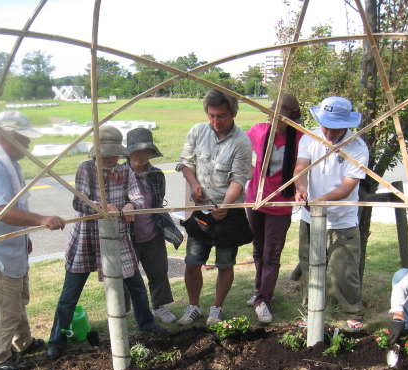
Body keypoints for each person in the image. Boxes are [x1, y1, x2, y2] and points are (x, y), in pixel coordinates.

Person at [47, 125, 167, 361]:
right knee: (70, 295)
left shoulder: (125, 171)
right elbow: (79, 203)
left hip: (116, 238)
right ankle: (57, 340)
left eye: (116, 154)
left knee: (137, 287)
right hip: (87, 238)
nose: (113, 159)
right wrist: (103, 207)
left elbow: (139, 198)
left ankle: (147, 324)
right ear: (98, 153)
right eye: (108, 154)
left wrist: (131, 206)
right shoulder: (86, 169)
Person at [0, 110, 66, 370]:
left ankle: (23, 342)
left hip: (11, 247)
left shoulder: (8, 163)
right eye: (24, 140)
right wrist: (41, 219)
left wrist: (24, 236)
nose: (28, 145)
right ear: (7, 138)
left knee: (16, 300)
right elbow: (0, 211)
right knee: (5, 307)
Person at [176, 88, 253, 326]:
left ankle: (217, 308)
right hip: (201, 210)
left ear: (234, 113)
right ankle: (193, 306)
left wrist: (226, 205)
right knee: (192, 262)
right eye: (211, 115)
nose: (215, 121)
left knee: (225, 263)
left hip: (230, 212)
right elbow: (185, 163)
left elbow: (239, 179)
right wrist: (194, 184)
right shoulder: (198, 132)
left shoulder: (242, 141)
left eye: (221, 116)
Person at [293, 96, 368, 329]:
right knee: (309, 263)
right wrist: (302, 188)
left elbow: (347, 187)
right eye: (326, 125)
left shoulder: (357, 147)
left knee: (343, 268)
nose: (329, 132)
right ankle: (311, 310)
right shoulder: (310, 137)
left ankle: (353, 313)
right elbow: (301, 167)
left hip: (342, 219)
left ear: (347, 124)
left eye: (335, 128)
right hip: (310, 217)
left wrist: (320, 200)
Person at [245, 93, 304, 324]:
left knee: (272, 254)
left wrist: (301, 187)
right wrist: (249, 172)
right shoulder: (259, 130)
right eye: (272, 115)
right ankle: (261, 292)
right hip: (256, 200)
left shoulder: (300, 138)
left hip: (281, 203)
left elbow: (303, 169)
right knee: (258, 250)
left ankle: (264, 301)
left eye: (280, 117)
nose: (274, 120)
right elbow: (237, 147)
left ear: (291, 119)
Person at [126, 128, 184, 324]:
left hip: (153, 233)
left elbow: (158, 203)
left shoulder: (157, 175)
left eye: (146, 151)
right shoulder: (119, 174)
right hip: (127, 236)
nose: (142, 156)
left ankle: (159, 306)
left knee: (159, 272)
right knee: (125, 276)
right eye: (137, 151)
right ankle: (123, 309)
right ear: (128, 152)